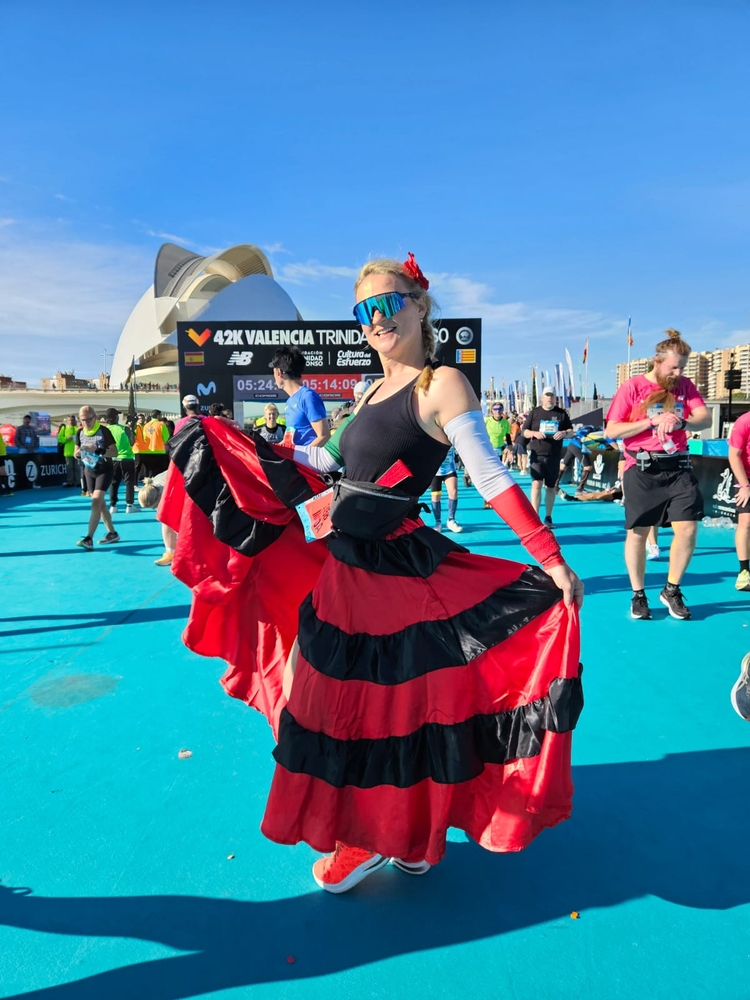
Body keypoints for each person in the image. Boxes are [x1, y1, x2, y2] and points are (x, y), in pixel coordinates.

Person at [161, 252, 583, 896]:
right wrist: (240, 442)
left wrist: (549, 556)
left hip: (392, 576)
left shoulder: (440, 384)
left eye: (391, 303)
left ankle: (370, 839)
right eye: (366, 309)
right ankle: (404, 837)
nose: (378, 318)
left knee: (366, 713)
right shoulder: (369, 389)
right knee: (358, 708)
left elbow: (489, 475)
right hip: (344, 566)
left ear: (420, 305)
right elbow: (323, 458)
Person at [605, 329, 711, 620]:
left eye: (682, 367)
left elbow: (705, 418)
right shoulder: (632, 387)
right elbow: (611, 430)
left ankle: (671, 589)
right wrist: (650, 421)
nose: (677, 373)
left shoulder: (685, 387)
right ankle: (638, 594)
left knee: (688, 529)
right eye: (672, 367)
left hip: (677, 467)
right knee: (638, 535)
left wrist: (681, 421)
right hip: (641, 468)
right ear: (656, 361)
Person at [523, 389, 574, 527]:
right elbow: (525, 432)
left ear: (555, 398)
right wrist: (534, 433)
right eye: (547, 396)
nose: (549, 399)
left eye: (552, 396)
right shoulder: (535, 412)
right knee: (536, 484)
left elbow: (571, 432)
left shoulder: (561, 413)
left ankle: (548, 517)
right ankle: (535, 517)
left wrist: (564, 433)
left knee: (550, 487)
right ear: (542, 398)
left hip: (554, 455)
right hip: (537, 454)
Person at [74, 406, 119, 549]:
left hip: (105, 469)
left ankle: (88, 538)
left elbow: (114, 452)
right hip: (89, 470)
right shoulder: (80, 432)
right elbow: (76, 452)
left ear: (95, 417)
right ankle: (112, 533)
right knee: (101, 505)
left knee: (95, 502)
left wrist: (98, 450)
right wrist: (80, 452)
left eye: (89, 419)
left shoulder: (104, 431)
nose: (86, 422)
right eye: (83, 420)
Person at [269, 348, 330, 447]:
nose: (273, 376)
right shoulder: (290, 401)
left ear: (279, 372)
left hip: (306, 461)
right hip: (295, 460)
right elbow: (289, 440)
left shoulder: (308, 397)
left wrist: (301, 457)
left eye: (273, 372)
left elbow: (324, 436)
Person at [728, 410, 750, 592]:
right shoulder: (744, 421)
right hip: (747, 479)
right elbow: (734, 455)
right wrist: (745, 485)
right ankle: (744, 571)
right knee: (746, 522)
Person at [138, 472, 176, 565]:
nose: (154, 509)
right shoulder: (151, 488)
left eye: (155, 507)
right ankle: (170, 553)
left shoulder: (171, 489)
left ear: (159, 497)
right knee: (165, 519)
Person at [104, 408, 136, 514]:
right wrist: (132, 431)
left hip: (112, 459)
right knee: (129, 482)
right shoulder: (124, 429)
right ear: (116, 417)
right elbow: (132, 443)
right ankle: (129, 505)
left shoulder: (105, 430)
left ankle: (113, 506)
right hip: (126, 458)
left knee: (113, 483)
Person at [430, 446, 462, 533]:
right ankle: (438, 522)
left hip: (449, 470)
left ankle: (451, 520)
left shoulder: (451, 436)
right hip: (436, 472)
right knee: (436, 496)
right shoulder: (434, 436)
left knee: (453, 491)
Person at [140, 410, 170, 477]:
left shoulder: (146, 426)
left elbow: (144, 438)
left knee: (149, 474)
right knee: (159, 474)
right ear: (158, 416)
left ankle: (149, 486)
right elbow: (166, 438)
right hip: (159, 452)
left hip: (148, 452)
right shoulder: (161, 425)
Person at [16, 415, 40, 488]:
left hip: (32, 450)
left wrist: (35, 447)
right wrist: (21, 447)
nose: (27, 421)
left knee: (33, 466)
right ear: (23, 420)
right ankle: (22, 484)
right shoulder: (19, 428)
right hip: (23, 449)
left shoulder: (33, 429)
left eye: (28, 419)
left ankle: (33, 484)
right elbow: (16, 439)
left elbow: (36, 438)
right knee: (22, 466)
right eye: (26, 419)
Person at [57, 415, 79, 488]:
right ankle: (70, 482)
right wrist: (66, 439)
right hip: (68, 451)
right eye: (70, 420)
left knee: (77, 468)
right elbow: (59, 438)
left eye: (72, 420)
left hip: (77, 451)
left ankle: (79, 482)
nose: (71, 421)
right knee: (69, 468)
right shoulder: (64, 428)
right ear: (67, 421)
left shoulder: (78, 428)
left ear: (75, 420)